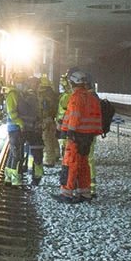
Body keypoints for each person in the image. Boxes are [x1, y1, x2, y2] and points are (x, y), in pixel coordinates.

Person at [56, 68, 103, 203]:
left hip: (76, 136)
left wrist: (69, 132)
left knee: (70, 164)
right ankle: (85, 193)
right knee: (83, 165)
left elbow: (75, 116)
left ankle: (66, 194)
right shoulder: (92, 97)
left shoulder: (76, 97)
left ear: (73, 83)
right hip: (88, 137)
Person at [4, 74, 40, 185]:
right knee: (17, 155)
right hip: (15, 128)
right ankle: (16, 180)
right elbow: (12, 112)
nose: (22, 85)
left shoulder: (18, 94)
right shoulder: (13, 94)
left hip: (16, 128)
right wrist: (21, 124)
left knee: (13, 153)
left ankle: (9, 177)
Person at [38, 74, 60, 167]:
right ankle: (56, 154)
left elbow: (42, 108)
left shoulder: (43, 94)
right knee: (52, 138)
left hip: (45, 119)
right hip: (51, 118)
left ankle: (48, 160)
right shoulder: (52, 93)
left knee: (46, 139)